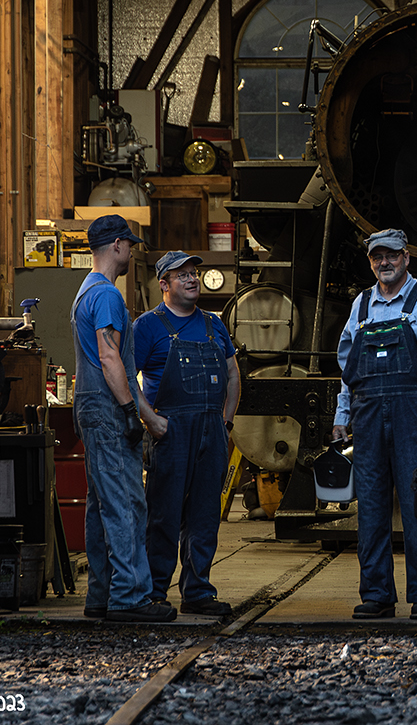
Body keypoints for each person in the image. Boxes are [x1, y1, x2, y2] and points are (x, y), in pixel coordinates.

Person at [332, 229, 417, 620]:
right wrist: (342, 415)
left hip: (415, 413)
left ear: (406, 257)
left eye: (391, 255)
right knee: (371, 507)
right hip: (368, 414)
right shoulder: (361, 306)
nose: (384, 263)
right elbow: (348, 371)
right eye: (377, 257)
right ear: (371, 261)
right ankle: (377, 596)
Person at [70, 215, 176, 622]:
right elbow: (110, 356)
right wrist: (135, 412)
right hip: (108, 407)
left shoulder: (85, 292)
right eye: (129, 245)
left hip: (89, 404)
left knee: (100, 505)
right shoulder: (109, 296)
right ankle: (130, 597)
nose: (132, 252)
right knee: (127, 504)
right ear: (116, 246)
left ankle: (100, 594)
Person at [133, 250, 241, 615]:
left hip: (212, 429)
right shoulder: (147, 326)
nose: (192, 279)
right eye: (182, 275)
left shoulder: (214, 323)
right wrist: (151, 419)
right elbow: (126, 382)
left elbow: (232, 374)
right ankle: (154, 592)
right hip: (171, 430)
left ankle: (197, 592)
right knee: (163, 513)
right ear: (163, 285)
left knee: (205, 513)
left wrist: (225, 422)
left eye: (194, 272)